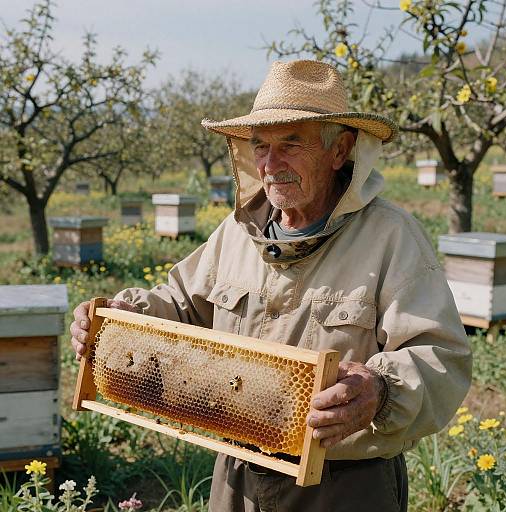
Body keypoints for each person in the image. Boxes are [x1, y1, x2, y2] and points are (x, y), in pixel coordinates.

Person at [70, 60, 472, 512]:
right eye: (261, 146)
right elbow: (182, 306)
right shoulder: (237, 233)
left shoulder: (391, 237)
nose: (271, 163)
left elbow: (441, 358)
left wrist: (380, 391)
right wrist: (120, 320)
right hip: (236, 473)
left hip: (342, 484)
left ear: (340, 150)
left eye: (291, 144)